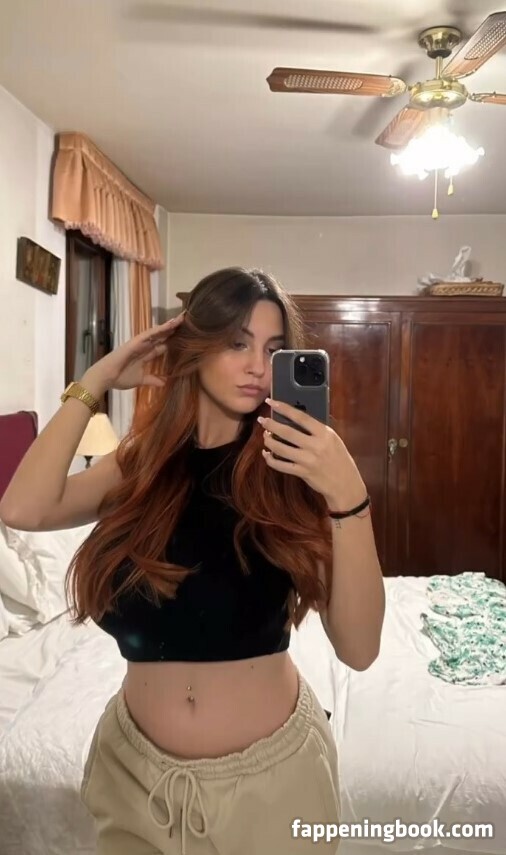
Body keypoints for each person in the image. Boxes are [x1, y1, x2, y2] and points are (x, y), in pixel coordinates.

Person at [0, 267, 385, 854]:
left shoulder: (293, 471)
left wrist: (348, 495)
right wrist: (96, 379)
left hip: (274, 784)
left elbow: (359, 650)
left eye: (273, 350)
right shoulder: (141, 466)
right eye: (236, 343)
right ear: (195, 346)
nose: (257, 367)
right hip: (133, 780)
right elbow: (22, 509)